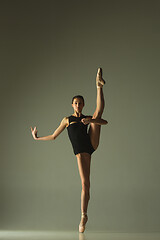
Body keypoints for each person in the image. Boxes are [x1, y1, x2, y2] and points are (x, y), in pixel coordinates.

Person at [30, 68, 108, 233]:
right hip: (80, 151)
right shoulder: (67, 119)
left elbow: (104, 122)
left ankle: (99, 86)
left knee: (97, 113)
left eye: (80, 103)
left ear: (83, 104)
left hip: (90, 144)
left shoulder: (86, 118)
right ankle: (83, 215)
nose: (78, 105)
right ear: (72, 105)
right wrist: (37, 138)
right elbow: (53, 136)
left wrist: (91, 121)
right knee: (85, 185)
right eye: (76, 103)